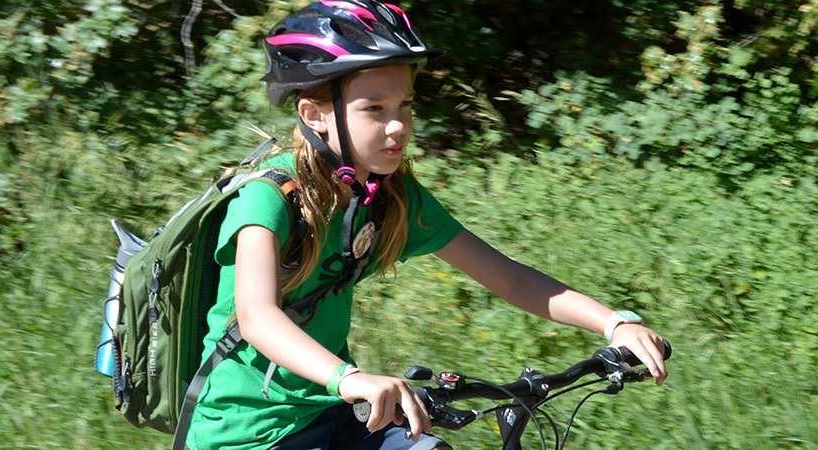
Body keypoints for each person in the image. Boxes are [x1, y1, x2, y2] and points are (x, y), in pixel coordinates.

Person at [183, 1, 671, 449]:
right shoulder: (267, 198)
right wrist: (348, 378)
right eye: (374, 109)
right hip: (246, 431)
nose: (398, 126)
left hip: (334, 413)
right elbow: (257, 316)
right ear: (316, 115)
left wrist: (614, 322)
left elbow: (508, 276)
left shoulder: (390, 197)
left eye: (406, 106)